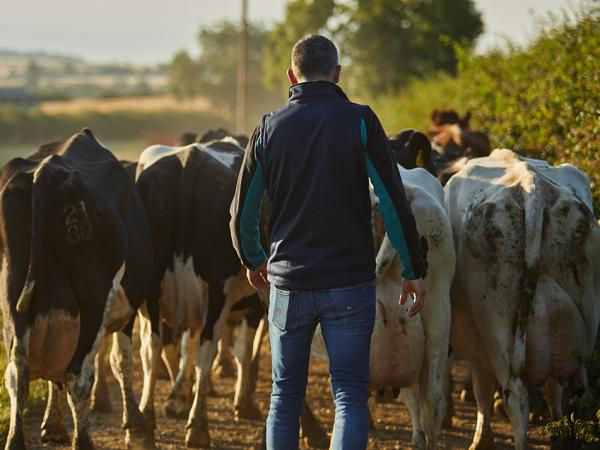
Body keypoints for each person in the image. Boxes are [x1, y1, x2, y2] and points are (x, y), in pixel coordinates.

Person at [230, 35, 427, 450]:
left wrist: (253, 258)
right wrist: (412, 269)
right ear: (337, 74)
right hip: (350, 283)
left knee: (284, 397)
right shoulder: (360, 120)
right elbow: (392, 202)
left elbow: (242, 213)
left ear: (291, 75)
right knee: (350, 395)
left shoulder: (267, 127)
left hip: (288, 284)